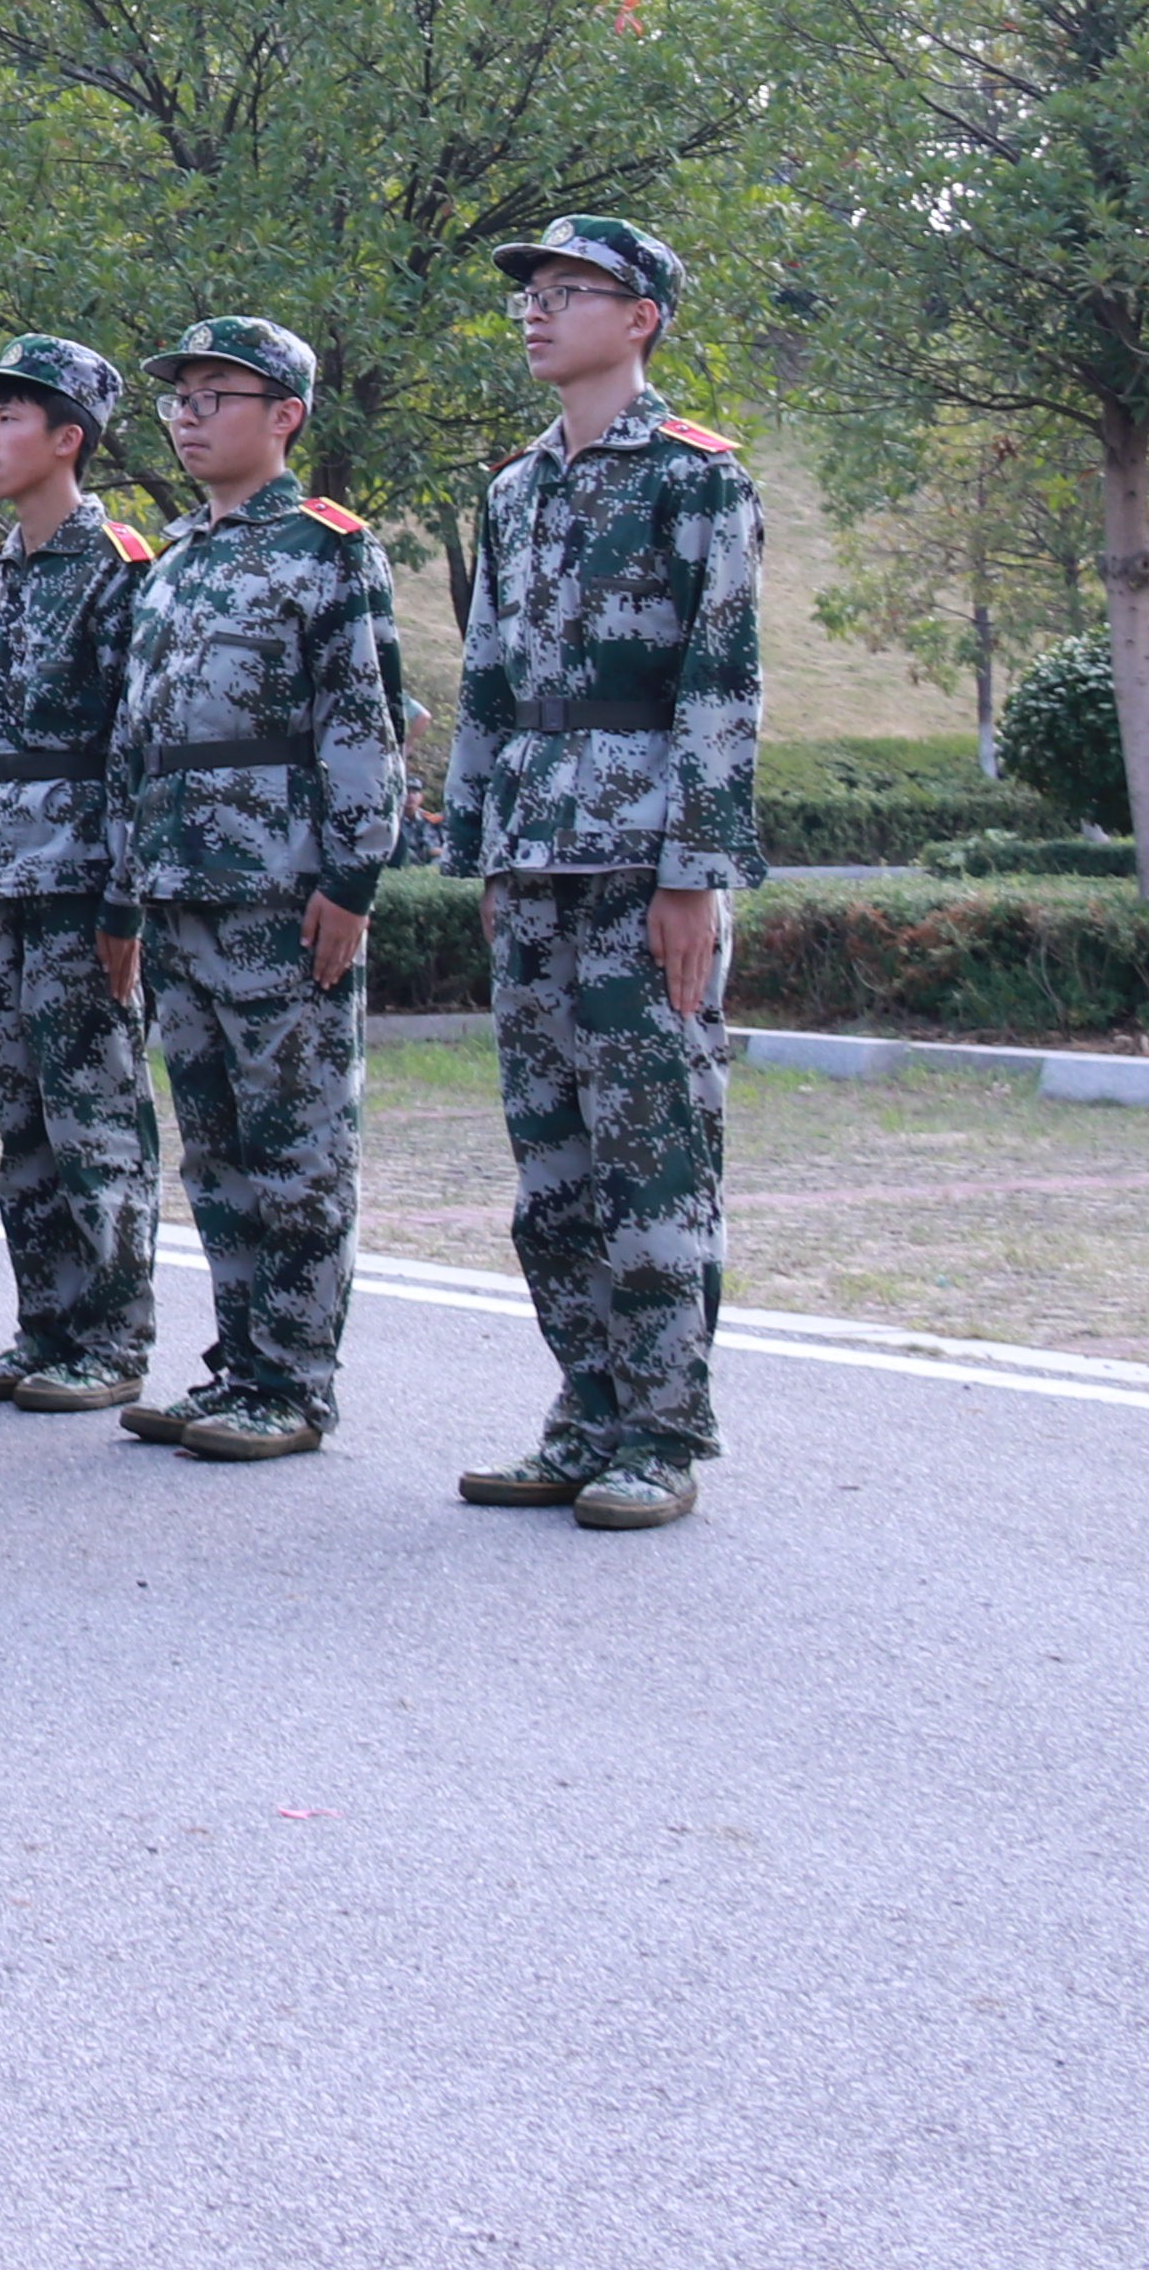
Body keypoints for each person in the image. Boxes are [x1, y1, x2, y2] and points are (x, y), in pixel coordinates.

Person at [444, 218, 761, 1535]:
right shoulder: (515, 489)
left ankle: (661, 1430)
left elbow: (721, 683)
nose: (537, 311)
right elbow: (487, 679)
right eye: (531, 293)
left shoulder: (697, 479)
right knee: (553, 1163)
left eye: (567, 292)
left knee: (653, 1152)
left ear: (641, 318)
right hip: (534, 857)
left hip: (641, 863)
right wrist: (477, 844)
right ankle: (584, 1409)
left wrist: (694, 874)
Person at [101, 315, 408, 1468]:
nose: (188, 418)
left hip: (281, 894)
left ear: (284, 415)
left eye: (214, 397)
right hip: (182, 888)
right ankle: (238, 1362)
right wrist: (126, 894)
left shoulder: (329, 551)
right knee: (216, 1146)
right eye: (178, 399)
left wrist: (352, 880)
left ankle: (293, 1379)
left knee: (298, 1142)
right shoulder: (175, 564)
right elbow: (137, 744)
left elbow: (361, 725)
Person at [0, 332, 160, 1417]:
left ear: (69, 439)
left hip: (79, 877)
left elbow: (134, 746)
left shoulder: (117, 569)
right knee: (22, 1115)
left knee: (92, 1108)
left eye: (11, 417)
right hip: (4, 875)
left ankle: (112, 1333)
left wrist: (125, 898)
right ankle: (45, 1324)